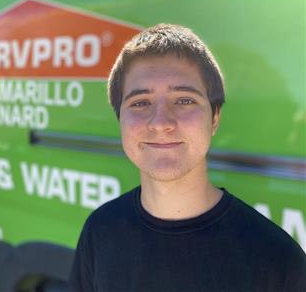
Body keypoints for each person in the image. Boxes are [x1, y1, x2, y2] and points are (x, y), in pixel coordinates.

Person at [69, 24, 306, 292]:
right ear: (120, 119)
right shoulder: (99, 231)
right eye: (140, 102)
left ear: (214, 118)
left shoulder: (278, 260)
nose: (160, 123)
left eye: (184, 100)